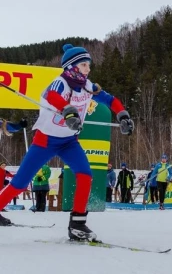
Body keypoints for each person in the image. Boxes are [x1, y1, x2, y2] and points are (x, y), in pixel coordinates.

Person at [0, 44, 134, 241]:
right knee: (20, 183)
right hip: (45, 141)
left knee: (85, 175)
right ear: (72, 66)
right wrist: (68, 110)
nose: (88, 69)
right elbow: (53, 96)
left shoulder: (88, 85)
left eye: (89, 65)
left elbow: (110, 99)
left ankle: (77, 224)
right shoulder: (60, 82)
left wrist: (123, 115)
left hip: (69, 142)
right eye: (84, 65)